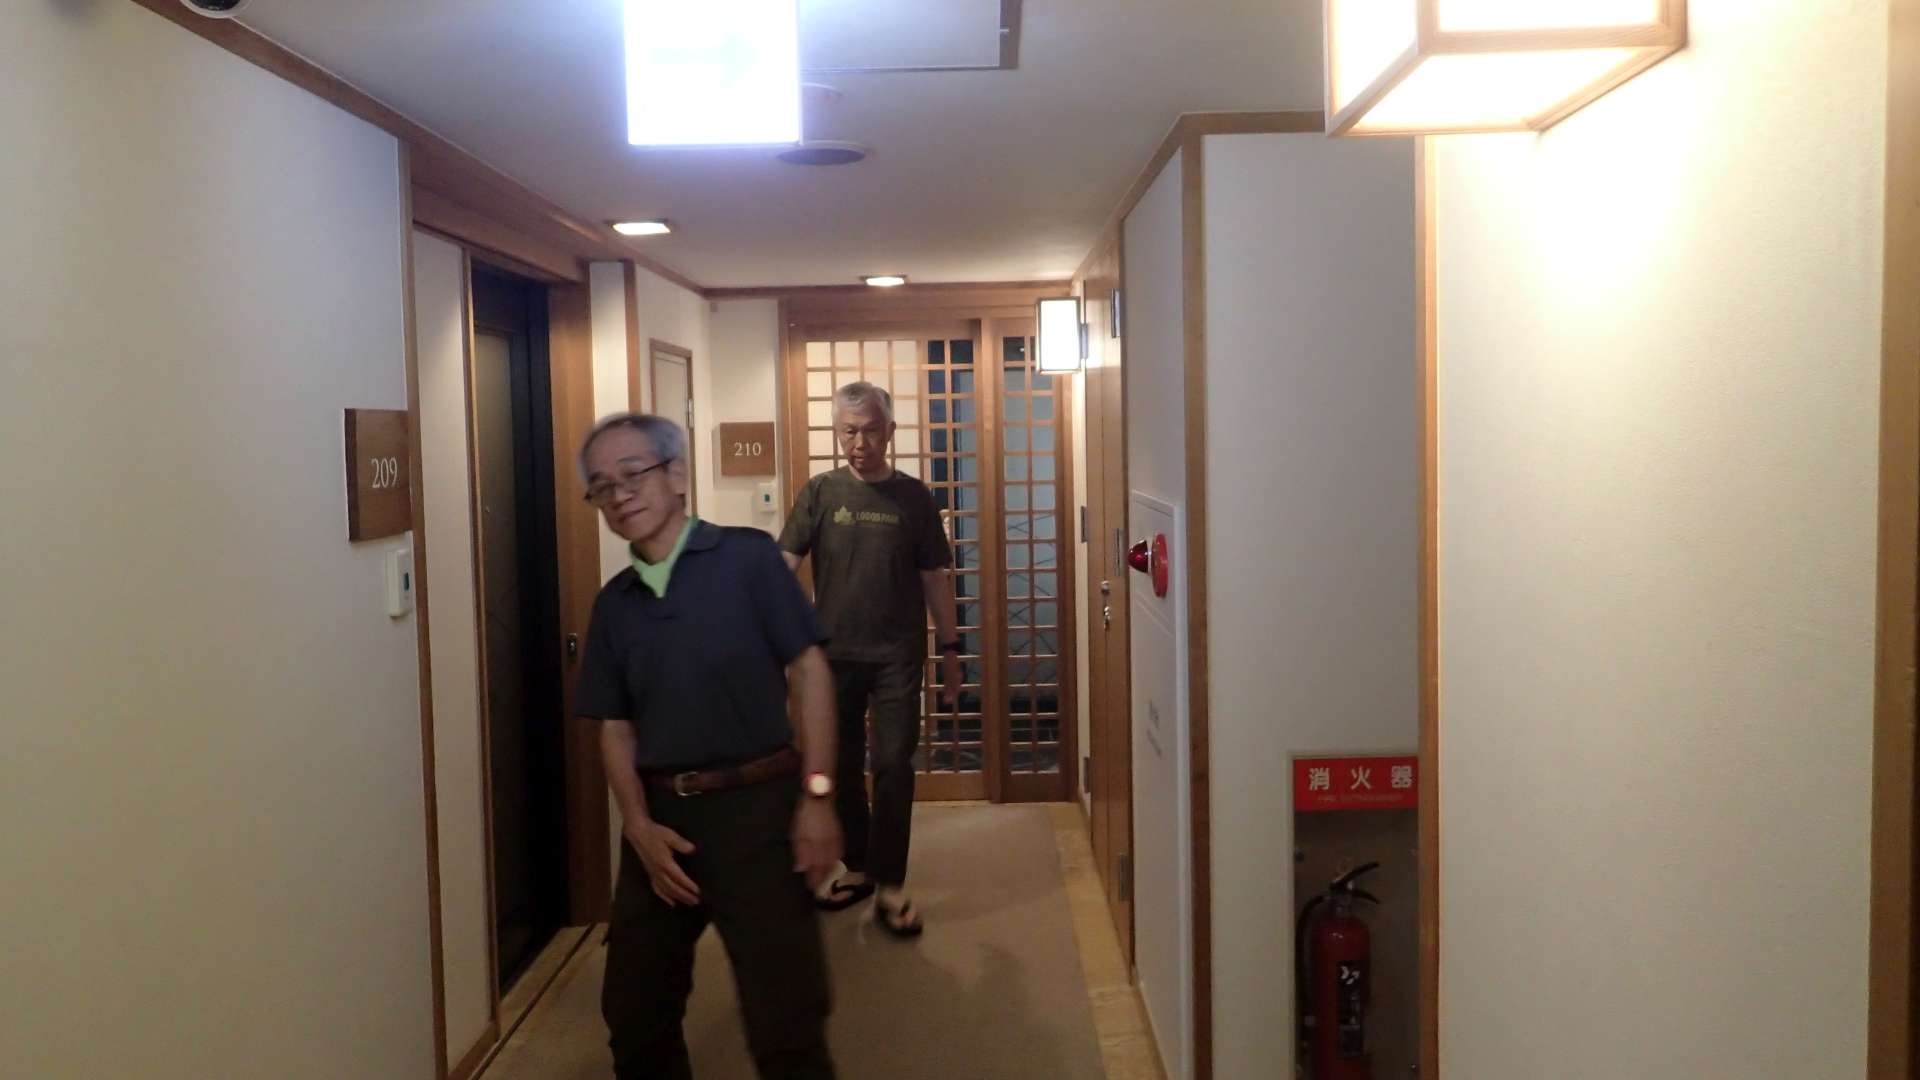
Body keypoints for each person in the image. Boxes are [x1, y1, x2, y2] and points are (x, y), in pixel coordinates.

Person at [572, 412, 842, 1080]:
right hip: (662, 823)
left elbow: (809, 669)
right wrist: (637, 825)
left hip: (758, 810)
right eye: (601, 487)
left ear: (677, 475)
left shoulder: (747, 559)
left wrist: (818, 797)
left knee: (785, 1017)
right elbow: (615, 726)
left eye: (632, 474)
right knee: (634, 1010)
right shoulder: (615, 604)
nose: (619, 496)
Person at [779, 381, 961, 938]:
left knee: (892, 765)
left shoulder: (914, 498)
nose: (860, 443)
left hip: (897, 655)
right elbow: (782, 565)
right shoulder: (820, 492)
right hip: (832, 657)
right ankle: (858, 864)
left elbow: (935, 578)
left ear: (890, 431)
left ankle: (891, 885)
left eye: (871, 431)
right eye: (849, 432)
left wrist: (952, 649)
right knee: (837, 765)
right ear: (838, 432)